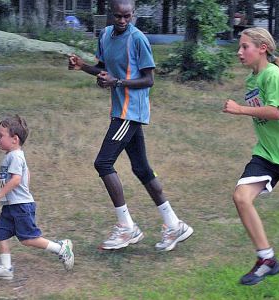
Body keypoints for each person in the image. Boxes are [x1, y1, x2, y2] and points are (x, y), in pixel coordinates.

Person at [68, 0, 193, 251]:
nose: (123, 21)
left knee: (103, 163)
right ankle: (174, 224)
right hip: (120, 109)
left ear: (133, 14)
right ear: (111, 15)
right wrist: (82, 66)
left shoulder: (138, 39)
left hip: (131, 112)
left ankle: (127, 228)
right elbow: (103, 70)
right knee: (142, 169)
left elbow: (149, 80)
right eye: (118, 16)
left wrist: (117, 83)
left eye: (127, 16)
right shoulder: (105, 35)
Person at [223, 27, 279, 285]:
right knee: (241, 196)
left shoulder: (272, 75)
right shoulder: (252, 79)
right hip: (268, 154)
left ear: (263, 48)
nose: (239, 52)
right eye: (240, 46)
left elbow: (276, 112)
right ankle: (266, 259)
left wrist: (240, 110)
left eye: (244, 47)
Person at [0, 114, 74, 280]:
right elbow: (25, 175)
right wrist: (3, 194)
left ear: (14, 139)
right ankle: (5, 268)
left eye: (1, 136)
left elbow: (16, 179)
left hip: (21, 207)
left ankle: (61, 248)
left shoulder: (15, 156)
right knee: (1, 233)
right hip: (11, 205)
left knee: (28, 239)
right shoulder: (13, 155)